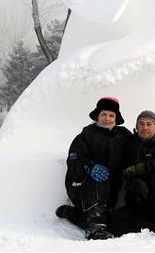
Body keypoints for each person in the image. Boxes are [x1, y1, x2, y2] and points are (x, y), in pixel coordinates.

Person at [56, 97, 133, 240]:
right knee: (99, 176)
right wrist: (89, 167)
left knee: (113, 222)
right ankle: (95, 229)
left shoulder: (123, 135)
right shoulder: (85, 136)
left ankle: (72, 214)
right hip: (81, 186)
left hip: (111, 191)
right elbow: (74, 161)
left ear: (116, 117)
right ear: (97, 115)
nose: (107, 119)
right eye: (104, 114)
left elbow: (138, 147)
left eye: (111, 115)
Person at [110, 110, 155, 237]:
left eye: (149, 124)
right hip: (139, 201)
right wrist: (133, 181)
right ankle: (153, 225)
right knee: (113, 222)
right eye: (141, 124)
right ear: (136, 127)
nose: (145, 127)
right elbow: (124, 171)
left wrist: (140, 168)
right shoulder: (129, 146)